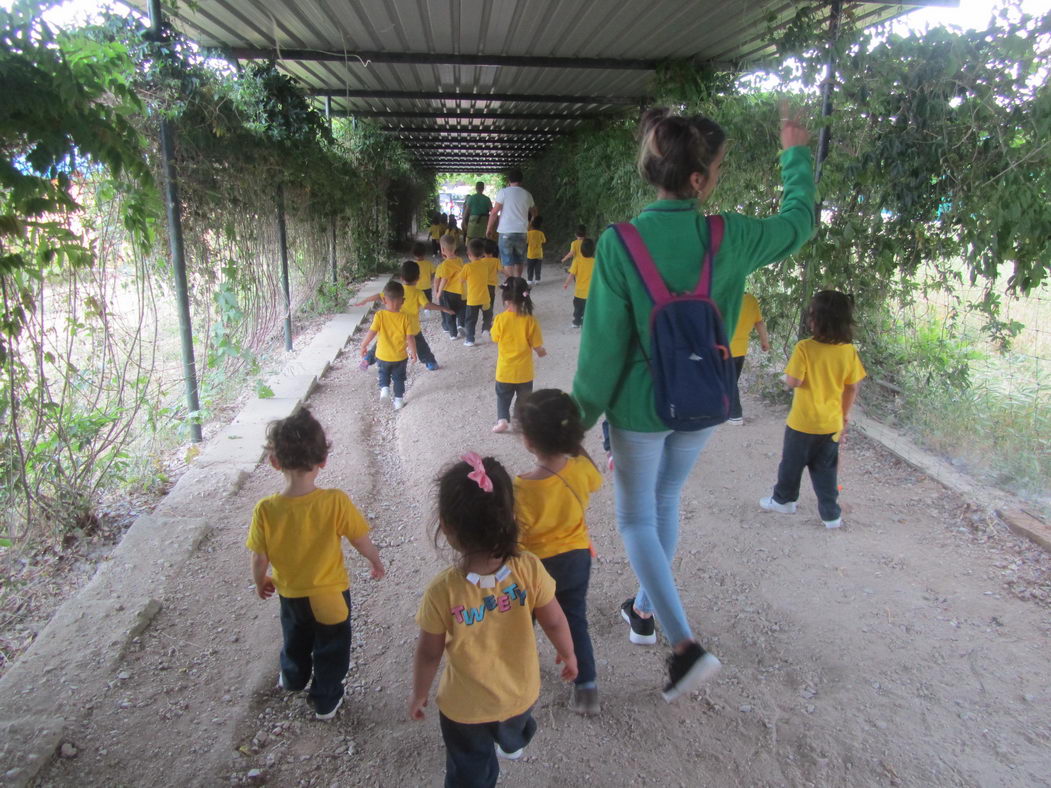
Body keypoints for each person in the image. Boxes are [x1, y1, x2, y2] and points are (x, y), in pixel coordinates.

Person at [571, 105, 815, 701]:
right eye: (719, 166)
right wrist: (795, 153)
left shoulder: (619, 244)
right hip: (707, 396)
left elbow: (602, 353)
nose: (720, 175)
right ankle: (645, 613)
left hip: (639, 408)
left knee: (634, 518)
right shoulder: (727, 236)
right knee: (667, 499)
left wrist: (571, 425)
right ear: (699, 181)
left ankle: (683, 645)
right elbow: (798, 223)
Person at [410, 453, 577, 788]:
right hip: (520, 692)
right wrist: (569, 652)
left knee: (469, 767)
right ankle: (511, 743)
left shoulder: (442, 592)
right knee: (514, 727)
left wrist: (419, 693)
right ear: (511, 517)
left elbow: (429, 653)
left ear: (446, 526)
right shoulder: (528, 568)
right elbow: (555, 620)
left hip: (464, 708)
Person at [246, 409, 384, 721]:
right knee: (332, 647)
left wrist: (260, 580)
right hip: (331, 595)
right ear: (323, 461)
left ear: (275, 462)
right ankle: (325, 699)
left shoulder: (266, 510)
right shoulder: (335, 501)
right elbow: (359, 539)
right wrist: (374, 560)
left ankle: (292, 679)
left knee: (295, 638)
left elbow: (259, 557)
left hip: (291, 593)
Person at [513, 389, 604, 715]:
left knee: (522, 626)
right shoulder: (580, 469)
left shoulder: (520, 487)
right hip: (577, 558)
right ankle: (587, 688)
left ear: (528, 441)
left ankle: (513, 686)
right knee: (574, 620)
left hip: (535, 569)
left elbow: (515, 535)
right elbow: (595, 482)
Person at [760, 290, 865, 528]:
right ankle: (831, 515)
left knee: (791, 464)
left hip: (802, 422)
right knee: (826, 470)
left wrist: (785, 377)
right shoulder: (848, 351)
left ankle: (783, 501)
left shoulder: (805, 348)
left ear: (815, 319)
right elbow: (851, 388)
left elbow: (794, 381)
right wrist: (844, 414)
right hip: (831, 423)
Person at [355, 262, 453, 372]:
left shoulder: (396, 291)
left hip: (393, 326)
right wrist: (443, 308)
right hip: (412, 328)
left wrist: (365, 300)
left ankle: (367, 359)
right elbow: (427, 305)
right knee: (421, 346)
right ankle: (430, 363)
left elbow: (379, 295)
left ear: (401, 278)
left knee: (382, 344)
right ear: (418, 278)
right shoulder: (418, 293)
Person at [491, 278, 546, 434]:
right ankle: (518, 421)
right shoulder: (530, 321)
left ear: (505, 300)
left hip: (505, 370)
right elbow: (537, 345)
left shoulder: (500, 319)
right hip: (524, 371)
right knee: (523, 399)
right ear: (525, 298)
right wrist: (541, 352)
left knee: (503, 397)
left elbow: (494, 338)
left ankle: (502, 420)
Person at [358, 281, 417, 410]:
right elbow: (410, 338)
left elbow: (371, 333)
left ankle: (384, 389)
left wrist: (363, 345)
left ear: (384, 300)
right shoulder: (406, 318)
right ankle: (399, 401)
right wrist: (413, 353)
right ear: (403, 301)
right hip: (400, 357)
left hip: (382, 355)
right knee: (399, 378)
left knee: (383, 373)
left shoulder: (380, 315)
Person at [727, 292, 771, 425]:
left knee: (729, 382)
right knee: (731, 380)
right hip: (741, 349)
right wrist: (765, 341)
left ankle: (735, 415)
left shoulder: (725, 296)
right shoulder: (750, 300)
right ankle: (724, 409)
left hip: (724, 348)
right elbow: (759, 322)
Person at [486, 168, 535, 279]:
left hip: (505, 232)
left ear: (508, 180)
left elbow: (494, 213)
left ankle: (509, 283)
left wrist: (489, 228)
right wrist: (530, 222)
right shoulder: (527, 194)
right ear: (521, 181)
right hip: (522, 231)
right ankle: (518, 282)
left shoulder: (503, 192)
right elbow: (534, 212)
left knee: (507, 260)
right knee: (519, 259)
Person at [461, 238, 493, 347]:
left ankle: (470, 339)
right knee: (488, 316)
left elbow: (461, 280)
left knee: (470, 320)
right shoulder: (485, 265)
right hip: (485, 297)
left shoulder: (467, 267)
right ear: (483, 254)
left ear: (469, 254)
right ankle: (485, 330)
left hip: (473, 299)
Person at [433, 234, 466, 340]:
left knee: (449, 312)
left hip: (449, 292)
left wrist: (438, 292)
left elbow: (442, 280)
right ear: (455, 248)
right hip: (461, 291)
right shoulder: (460, 260)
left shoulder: (444, 265)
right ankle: (461, 324)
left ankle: (453, 334)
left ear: (442, 249)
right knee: (461, 309)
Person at [563, 237, 595, 329]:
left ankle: (576, 322)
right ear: (593, 250)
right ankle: (585, 322)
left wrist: (566, 284)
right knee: (588, 309)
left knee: (577, 308)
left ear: (580, 250)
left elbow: (571, 275)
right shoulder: (595, 262)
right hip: (590, 293)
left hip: (579, 292)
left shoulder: (577, 261)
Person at [481, 238, 501, 335]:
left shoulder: (480, 261)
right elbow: (503, 270)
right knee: (490, 306)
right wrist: (511, 277)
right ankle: (486, 327)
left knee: (483, 304)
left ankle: (487, 321)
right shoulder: (496, 261)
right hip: (492, 287)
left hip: (481, 286)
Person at [526, 216, 547, 285]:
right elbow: (544, 241)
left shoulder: (528, 233)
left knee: (530, 268)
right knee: (538, 268)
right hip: (539, 254)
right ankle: (537, 279)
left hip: (530, 254)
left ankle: (529, 280)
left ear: (531, 225)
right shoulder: (541, 233)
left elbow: (526, 242)